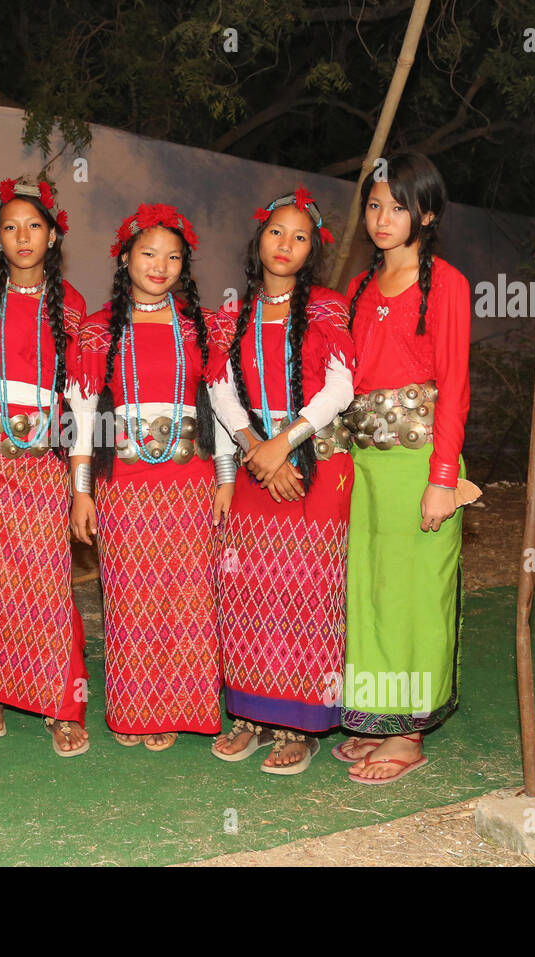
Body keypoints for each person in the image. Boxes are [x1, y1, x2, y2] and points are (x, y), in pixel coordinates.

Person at [70, 203, 234, 752]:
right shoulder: (97, 332)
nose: (159, 265)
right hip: (125, 485)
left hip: (190, 481)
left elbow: (221, 407)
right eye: (147, 253)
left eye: (172, 257)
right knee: (130, 598)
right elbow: (84, 417)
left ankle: (182, 705)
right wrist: (82, 490)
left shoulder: (201, 328)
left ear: (184, 266)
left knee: (187, 598)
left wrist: (227, 478)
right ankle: (138, 709)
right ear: (124, 257)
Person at [207, 187, 355, 773]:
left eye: (300, 236)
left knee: (306, 593)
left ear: (312, 249)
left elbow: (340, 388)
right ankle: (249, 712)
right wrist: (248, 456)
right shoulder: (231, 315)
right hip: (254, 466)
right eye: (276, 232)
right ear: (258, 240)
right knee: (246, 592)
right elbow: (221, 392)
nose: (285, 244)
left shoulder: (325, 306)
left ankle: (301, 722)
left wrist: (282, 443)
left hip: (315, 461)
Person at [334, 152, 472, 784]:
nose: (382, 218)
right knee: (368, 595)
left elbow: (455, 385)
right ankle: (380, 719)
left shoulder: (446, 283)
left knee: (416, 597)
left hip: (419, 465)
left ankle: (409, 735)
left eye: (397, 206)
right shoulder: (358, 289)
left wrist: (443, 479)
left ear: (427, 213)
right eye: (373, 205)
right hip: (364, 468)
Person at [0, 178, 91, 757]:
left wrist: (81, 486)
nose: (22, 236)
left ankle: (63, 705)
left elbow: (82, 402)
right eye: (10, 227)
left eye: (34, 225)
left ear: (53, 234)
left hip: (44, 469)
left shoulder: (73, 305)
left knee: (47, 586)